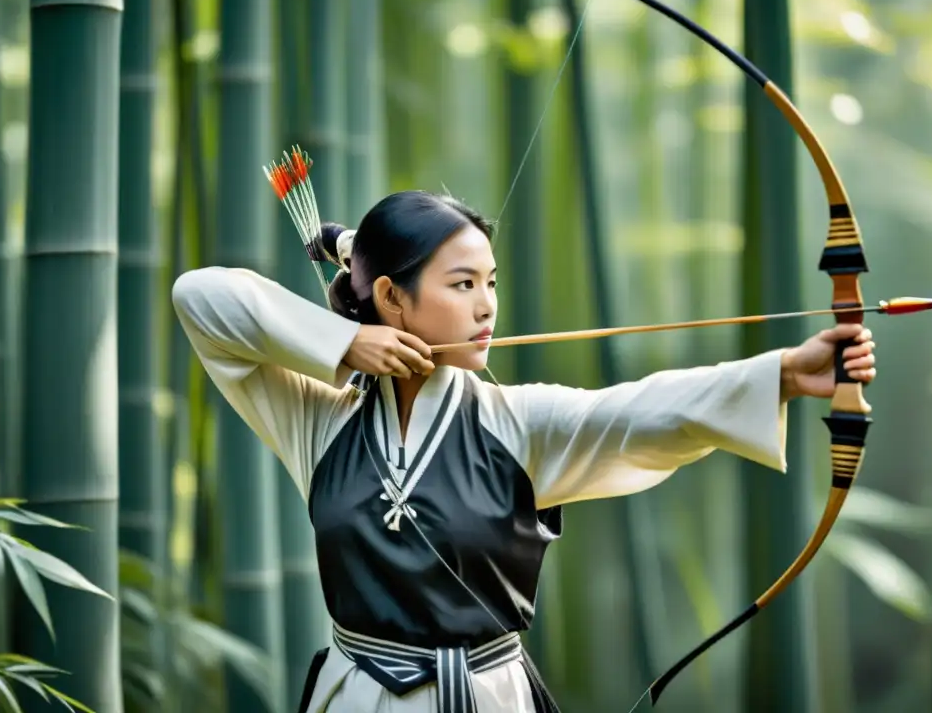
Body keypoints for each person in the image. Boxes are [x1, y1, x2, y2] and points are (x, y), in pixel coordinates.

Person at [172, 189, 877, 713]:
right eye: (461, 284)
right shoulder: (320, 417)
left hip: (488, 696)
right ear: (390, 296)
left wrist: (783, 373)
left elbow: (640, 411)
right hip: (358, 698)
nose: (486, 307)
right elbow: (200, 296)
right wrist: (344, 344)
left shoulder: (520, 423)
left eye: (491, 283)